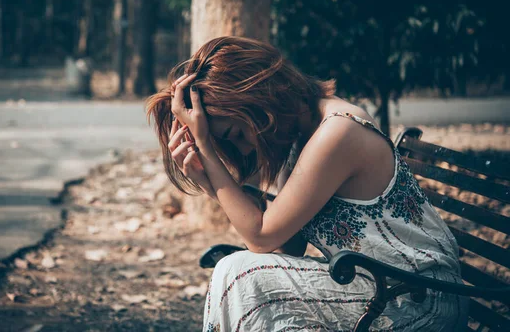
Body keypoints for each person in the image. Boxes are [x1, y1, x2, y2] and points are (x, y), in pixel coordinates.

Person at [146, 36, 468, 331]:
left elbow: (261, 236)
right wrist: (207, 181)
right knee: (239, 273)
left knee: (239, 275)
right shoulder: (302, 137)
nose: (244, 149)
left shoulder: (338, 132)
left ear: (255, 99)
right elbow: (284, 246)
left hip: (421, 298)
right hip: (383, 288)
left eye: (236, 135)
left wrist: (206, 152)